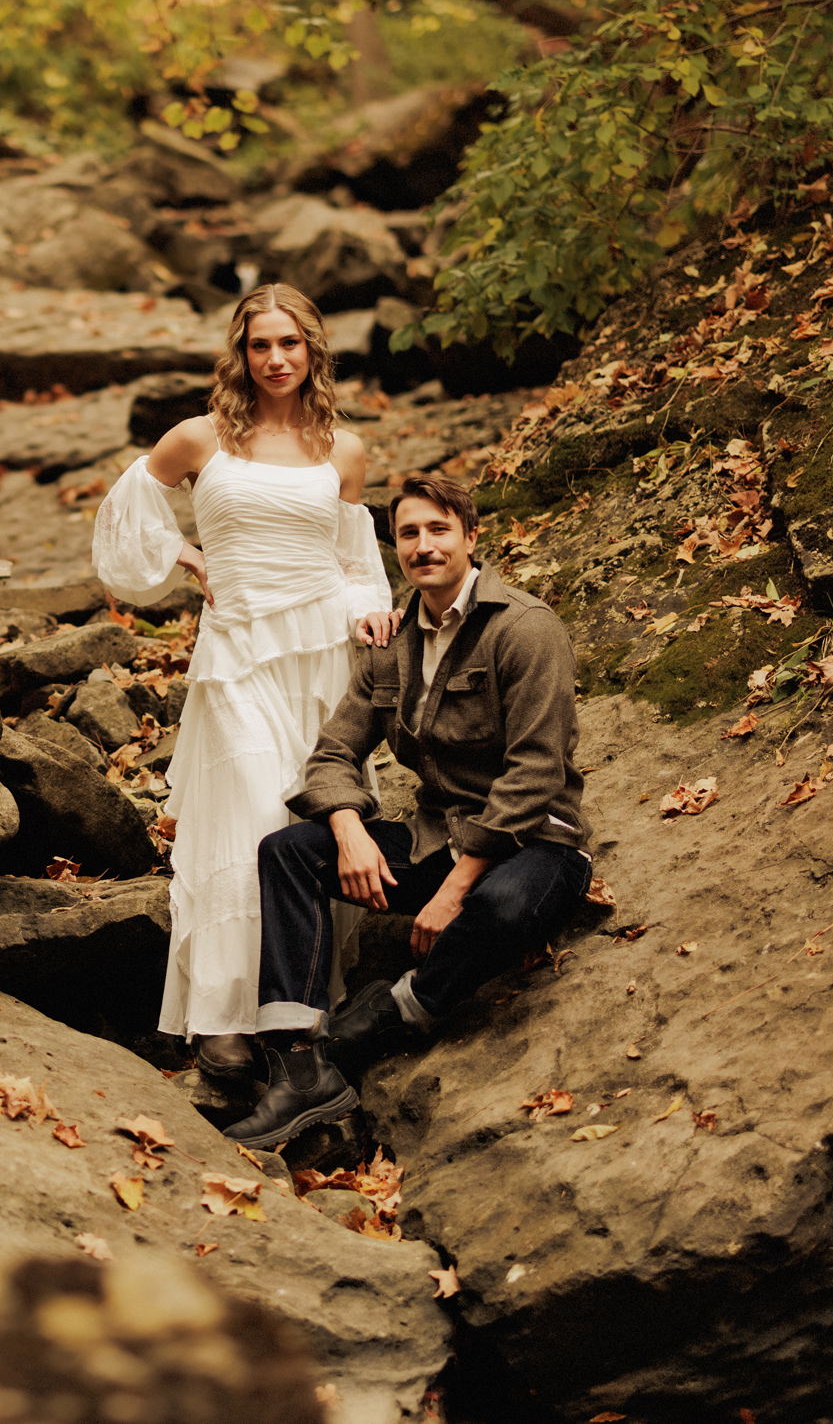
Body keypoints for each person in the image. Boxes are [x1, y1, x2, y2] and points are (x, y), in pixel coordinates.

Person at [222, 471, 595, 1149]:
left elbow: (537, 770)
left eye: (438, 530)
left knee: (499, 908)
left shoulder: (525, 629)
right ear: (395, 547)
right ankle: (297, 1058)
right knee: (288, 852)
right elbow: (333, 753)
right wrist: (348, 829)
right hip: (437, 839)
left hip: (536, 846)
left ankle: (379, 1022)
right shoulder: (390, 644)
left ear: (471, 537)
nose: (424, 546)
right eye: (409, 534)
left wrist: (456, 887)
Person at [92, 285, 400, 1087]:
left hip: (319, 657)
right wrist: (184, 556)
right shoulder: (202, 438)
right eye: (261, 345)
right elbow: (128, 511)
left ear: (312, 350)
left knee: (309, 830)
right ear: (241, 352)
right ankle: (220, 1021)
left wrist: (371, 615)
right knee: (251, 820)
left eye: (290, 344)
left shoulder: (344, 449)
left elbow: (356, 563)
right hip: (234, 655)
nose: (275, 359)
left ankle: (293, 1013)